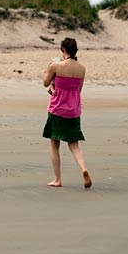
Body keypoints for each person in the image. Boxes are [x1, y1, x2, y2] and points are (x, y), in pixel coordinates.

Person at [42, 37, 92, 189]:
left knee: (54, 143)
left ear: (63, 49)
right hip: (74, 109)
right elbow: (78, 91)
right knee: (74, 144)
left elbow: (45, 82)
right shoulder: (82, 68)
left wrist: (49, 69)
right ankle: (83, 168)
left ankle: (57, 179)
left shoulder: (56, 66)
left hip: (58, 108)